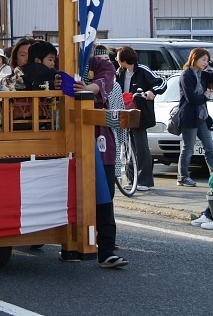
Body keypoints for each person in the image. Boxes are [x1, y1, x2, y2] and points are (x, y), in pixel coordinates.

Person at [81, 51, 128, 268]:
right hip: (69, 143)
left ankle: (106, 248)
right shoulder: (62, 61)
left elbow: (106, 79)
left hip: (101, 141)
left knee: (105, 196)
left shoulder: (102, 66)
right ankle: (70, 245)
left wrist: (88, 89)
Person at [115, 46, 166, 191]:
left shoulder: (142, 70)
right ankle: (132, 180)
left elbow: (161, 82)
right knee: (128, 149)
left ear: (124, 59)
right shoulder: (120, 72)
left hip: (140, 115)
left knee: (141, 148)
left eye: (118, 57)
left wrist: (152, 91)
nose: (116, 60)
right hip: (125, 114)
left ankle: (145, 181)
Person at [176, 48, 213, 187]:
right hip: (189, 116)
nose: (205, 63)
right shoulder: (186, 74)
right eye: (203, 60)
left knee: (209, 148)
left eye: (207, 61)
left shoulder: (203, 74)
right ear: (194, 58)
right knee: (188, 148)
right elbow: (191, 98)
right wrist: (205, 96)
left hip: (202, 116)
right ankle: (183, 177)